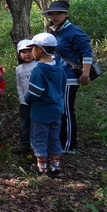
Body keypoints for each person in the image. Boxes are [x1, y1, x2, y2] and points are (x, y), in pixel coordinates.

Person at [44, 0, 93, 153]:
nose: (54, 16)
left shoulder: (74, 31)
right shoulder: (55, 31)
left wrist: (85, 74)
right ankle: (59, 141)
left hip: (70, 77)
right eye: (52, 13)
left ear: (66, 14)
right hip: (58, 76)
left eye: (58, 13)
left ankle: (69, 145)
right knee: (59, 110)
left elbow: (87, 52)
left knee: (66, 110)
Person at [24, 33, 67, 177]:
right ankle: (55, 165)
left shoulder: (39, 69)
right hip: (57, 109)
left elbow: (35, 92)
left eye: (33, 48)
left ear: (40, 49)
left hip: (41, 111)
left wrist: (27, 98)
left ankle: (42, 166)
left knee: (39, 137)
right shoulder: (59, 67)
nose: (32, 51)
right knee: (54, 136)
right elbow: (62, 85)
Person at [15, 39, 38, 153]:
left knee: (36, 124)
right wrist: (21, 98)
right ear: (19, 54)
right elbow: (19, 84)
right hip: (25, 102)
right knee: (25, 124)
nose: (27, 54)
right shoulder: (19, 69)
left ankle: (37, 145)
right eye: (23, 52)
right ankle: (25, 145)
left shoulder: (38, 66)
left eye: (29, 51)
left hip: (37, 102)